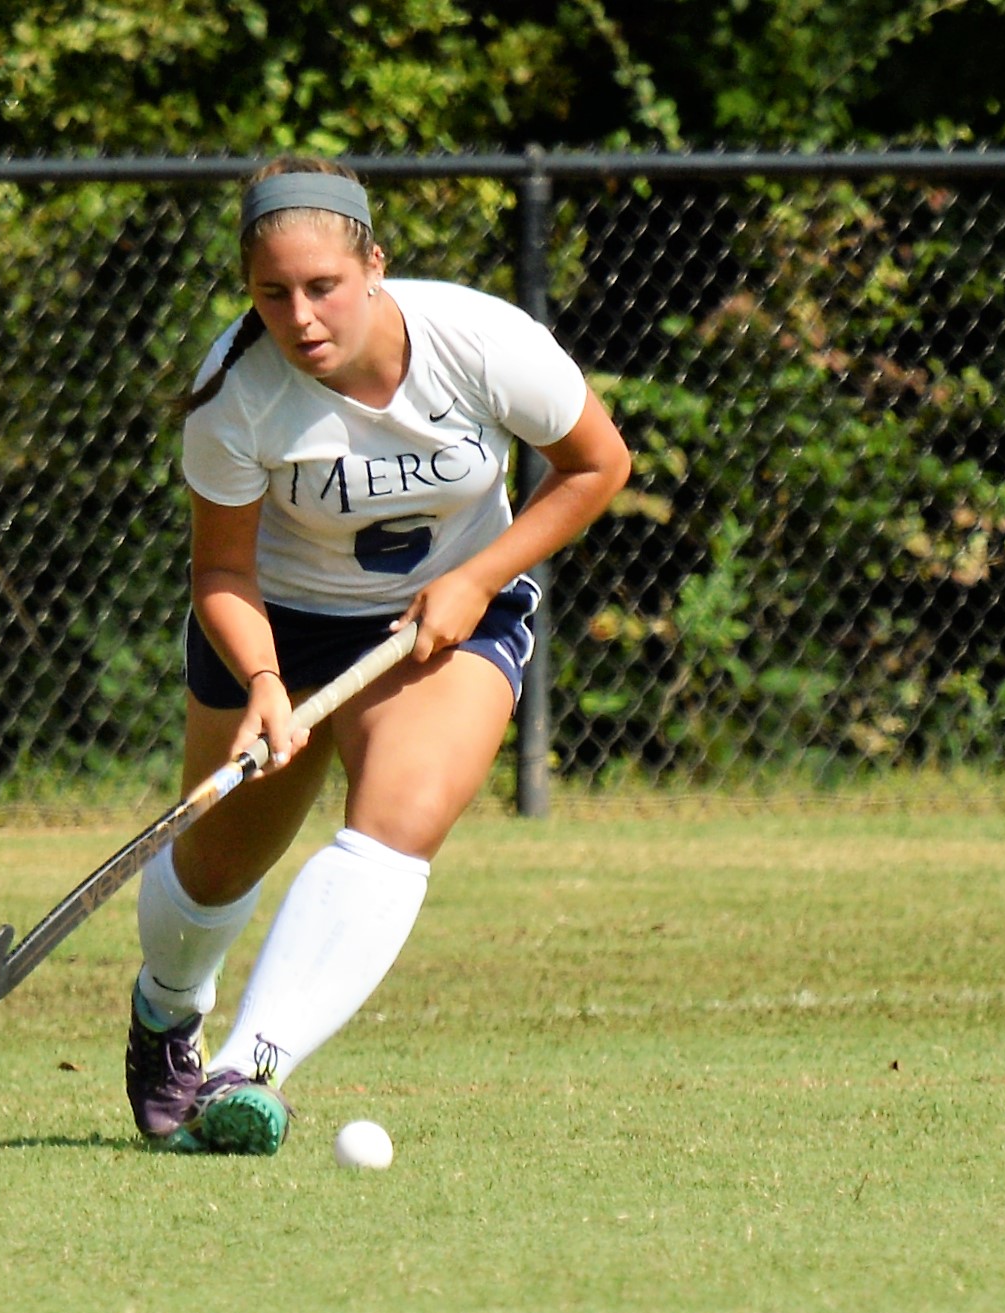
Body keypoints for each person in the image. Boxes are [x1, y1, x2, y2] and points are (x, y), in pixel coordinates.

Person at [124, 157, 631, 1155]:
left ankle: (247, 1070)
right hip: (277, 621)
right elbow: (220, 570)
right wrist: (264, 682)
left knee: (398, 823)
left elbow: (596, 463)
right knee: (214, 870)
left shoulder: (479, 342)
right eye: (272, 292)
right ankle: (166, 1011)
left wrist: (477, 577)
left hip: (449, 609)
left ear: (374, 268)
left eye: (323, 286)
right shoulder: (234, 393)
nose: (300, 316)